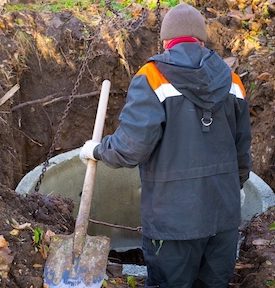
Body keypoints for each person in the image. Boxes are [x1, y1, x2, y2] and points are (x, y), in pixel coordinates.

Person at [80, 3, 252, 288]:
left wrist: (97, 149)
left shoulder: (152, 77)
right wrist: (238, 186)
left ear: (165, 41)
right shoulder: (232, 81)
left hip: (172, 225)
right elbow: (242, 150)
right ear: (201, 39)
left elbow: (132, 147)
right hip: (223, 218)